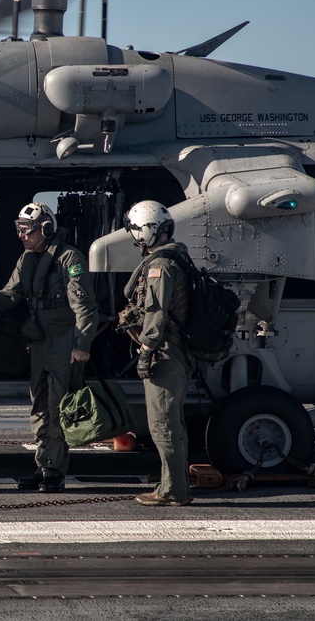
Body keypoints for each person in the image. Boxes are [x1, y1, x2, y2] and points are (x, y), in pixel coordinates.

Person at [0, 202, 98, 492]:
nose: (21, 236)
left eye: (26, 230)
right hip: (40, 344)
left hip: (64, 342)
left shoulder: (69, 259)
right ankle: (44, 467)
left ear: (46, 229)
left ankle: (55, 471)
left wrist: (81, 345)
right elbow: (10, 295)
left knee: (56, 408)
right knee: (39, 408)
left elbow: (86, 308)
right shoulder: (27, 260)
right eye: (19, 230)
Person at [122, 200, 193, 507]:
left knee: (163, 424)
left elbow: (156, 314)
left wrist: (146, 350)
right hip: (174, 353)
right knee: (170, 422)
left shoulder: (159, 267)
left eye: (136, 231)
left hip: (164, 354)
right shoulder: (174, 260)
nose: (135, 238)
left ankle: (173, 490)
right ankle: (171, 484)